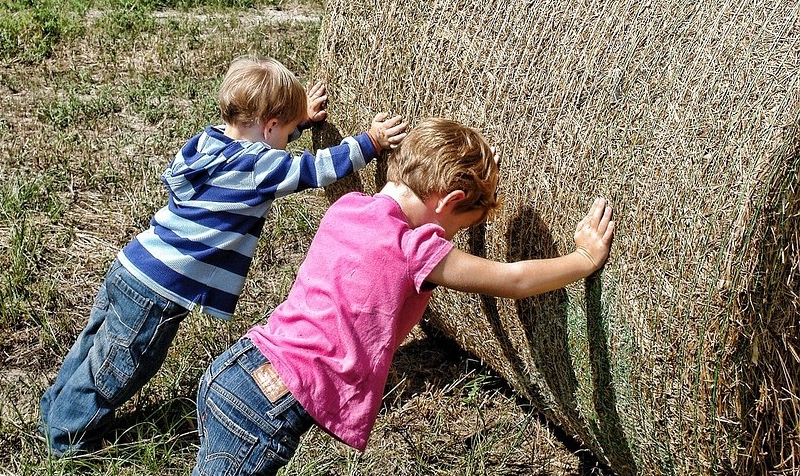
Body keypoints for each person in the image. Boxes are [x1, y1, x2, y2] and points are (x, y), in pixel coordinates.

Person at [192, 117, 616, 475]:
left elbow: (421, 224)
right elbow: (514, 280)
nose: (454, 237)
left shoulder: (350, 206)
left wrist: (470, 188)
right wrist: (582, 258)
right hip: (271, 405)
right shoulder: (416, 251)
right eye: (464, 221)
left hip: (238, 367)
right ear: (450, 200)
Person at [37, 55, 408, 457]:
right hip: (160, 290)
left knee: (92, 345)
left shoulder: (209, 141)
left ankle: (55, 409)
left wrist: (297, 122)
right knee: (119, 366)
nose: (287, 142)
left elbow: (261, 149)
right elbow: (315, 169)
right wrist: (370, 142)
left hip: (134, 264)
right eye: (284, 132)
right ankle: (70, 441)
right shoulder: (258, 165)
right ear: (268, 127)